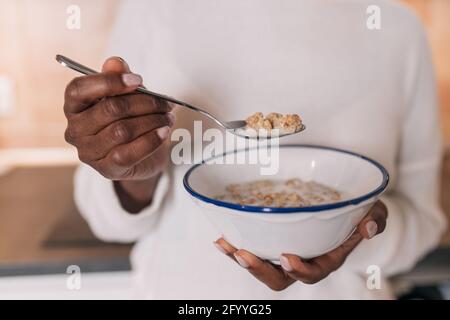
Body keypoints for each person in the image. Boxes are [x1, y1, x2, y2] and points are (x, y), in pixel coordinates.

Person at [64, 0, 447, 299]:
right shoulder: (155, 9)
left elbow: (424, 220)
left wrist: (352, 231)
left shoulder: (397, 28)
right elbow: (104, 217)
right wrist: (134, 176)